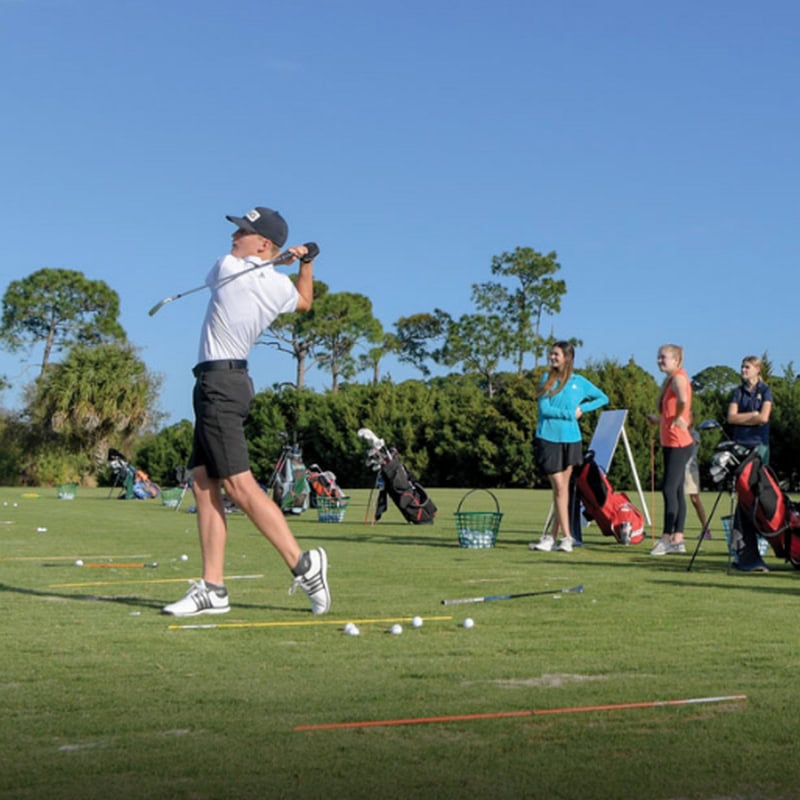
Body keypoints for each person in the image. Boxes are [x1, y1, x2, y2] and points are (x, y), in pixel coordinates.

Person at [163, 206, 330, 617]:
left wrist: (282, 260)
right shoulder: (275, 286)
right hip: (221, 383)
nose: (234, 237)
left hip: (220, 385)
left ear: (263, 243)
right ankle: (213, 588)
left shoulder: (226, 267)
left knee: (238, 485)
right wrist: (305, 262)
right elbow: (305, 301)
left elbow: (250, 272)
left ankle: (304, 565)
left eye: (243, 232)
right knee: (203, 482)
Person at [530, 342, 608, 553]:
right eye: (551, 354)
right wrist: (569, 414)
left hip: (571, 439)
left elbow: (603, 398)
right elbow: (545, 409)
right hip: (548, 438)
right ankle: (567, 537)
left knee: (562, 490)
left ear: (568, 357)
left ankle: (551, 538)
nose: (552, 357)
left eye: (556, 354)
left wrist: (583, 408)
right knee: (559, 487)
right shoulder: (547, 379)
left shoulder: (579, 382)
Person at [648, 344, 693, 556]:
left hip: (678, 444)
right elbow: (673, 409)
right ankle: (678, 539)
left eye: (663, 357)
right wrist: (660, 420)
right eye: (659, 357)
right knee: (676, 491)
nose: (660, 361)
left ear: (676, 360)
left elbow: (683, 400)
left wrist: (679, 417)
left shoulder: (678, 378)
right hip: (672, 443)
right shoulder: (671, 380)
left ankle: (666, 538)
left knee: (668, 489)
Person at [727, 355, 773, 465]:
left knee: (758, 474)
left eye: (747, 367)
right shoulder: (738, 392)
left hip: (759, 444)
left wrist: (741, 418)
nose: (743, 370)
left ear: (757, 369)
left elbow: (764, 418)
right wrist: (753, 415)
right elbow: (731, 418)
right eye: (742, 367)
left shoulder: (765, 390)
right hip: (740, 443)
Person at [684, 424, 711, 539]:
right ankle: (675, 531)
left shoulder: (694, 434)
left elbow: (689, 446)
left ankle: (706, 529)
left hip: (690, 470)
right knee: (677, 499)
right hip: (678, 468)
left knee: (695, 499)